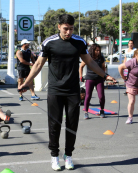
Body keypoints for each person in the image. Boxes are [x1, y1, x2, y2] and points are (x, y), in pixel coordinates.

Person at [18, 14, 116, 171]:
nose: (68, 32)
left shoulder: (79, 42)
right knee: (54, 124)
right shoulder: (49, 43)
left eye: (71, 29)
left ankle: (68, 155)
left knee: (72, 124)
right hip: (55, 90)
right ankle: (54, 156)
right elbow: (37, 64)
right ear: (59, 27)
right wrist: (26, 82)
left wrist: (105, 75)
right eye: (65, 29)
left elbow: (89, 62)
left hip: (72, 90)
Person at [79, 43, 116, 119]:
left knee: (101, 96)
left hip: (99, 79)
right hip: (90, 78)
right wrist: (81, 76)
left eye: (99, 50)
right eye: (97, 50)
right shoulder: (88, 58)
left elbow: (103, 67)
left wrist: (104, 76)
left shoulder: (101, 58)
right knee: (88, 95)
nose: (98, 52)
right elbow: (81, 67)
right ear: (93, 50)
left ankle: (102, 110)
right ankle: (86, 112)